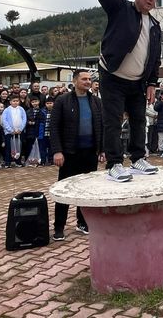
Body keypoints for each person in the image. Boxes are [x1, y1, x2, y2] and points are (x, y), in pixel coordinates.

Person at [93, 0, 159, 182]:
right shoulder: (120, 8)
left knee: (139, 119)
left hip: (137, 82)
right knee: (112, 120)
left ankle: (138, 158)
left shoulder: (155, 26)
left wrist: (152, 82)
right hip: (113, 76)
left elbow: (155, 58)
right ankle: (113, 163)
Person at [50, 69, 104, 240]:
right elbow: (54, 127)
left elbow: (101, 127)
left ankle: (83, 222)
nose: (88, 82)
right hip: (69, 153)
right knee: (64, 190)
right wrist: (57, 151)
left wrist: (102, 150)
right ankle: (59, 227)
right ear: (74, 81)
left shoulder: (96, 101)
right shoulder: (62, 100)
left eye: (89, 79)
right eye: (84, 79)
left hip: (89, 153)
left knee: (86, 190)